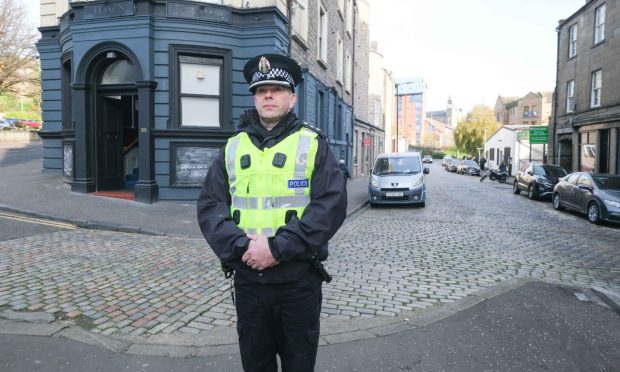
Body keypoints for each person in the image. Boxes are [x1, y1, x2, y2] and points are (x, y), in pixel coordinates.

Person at [197, 53, 347, 372]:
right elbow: (210, 206)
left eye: (277, 89)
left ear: (291, 98)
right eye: (262, 89)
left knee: (298, 365)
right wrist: (242, 247)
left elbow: (330, 206)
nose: (268, 94)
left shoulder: (312, 145)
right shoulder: (233, 147)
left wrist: (277, 248)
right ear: (254, 97)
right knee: (256, 365)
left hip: (298, 282)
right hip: (250, 282)